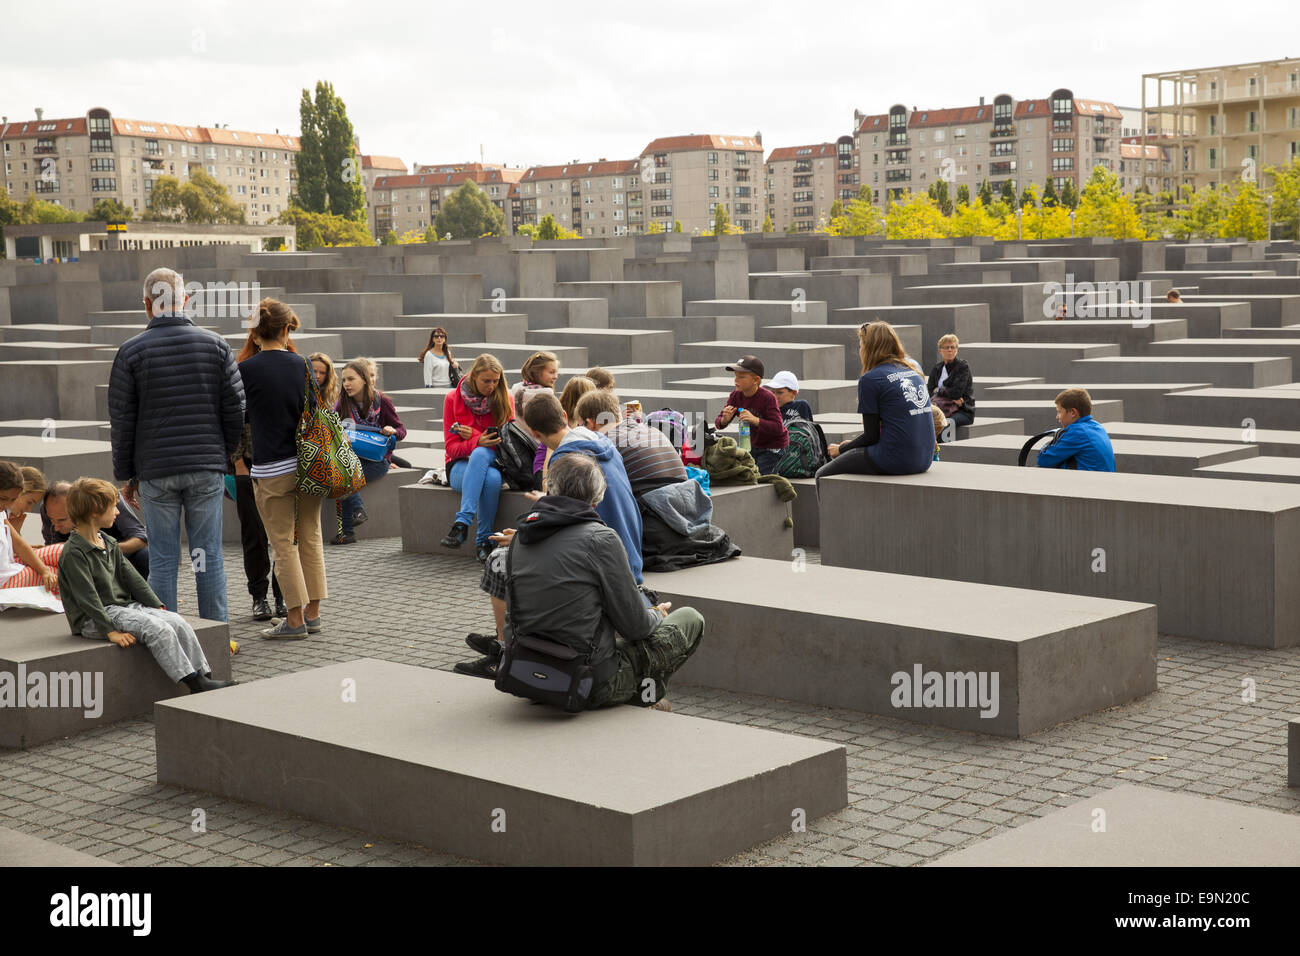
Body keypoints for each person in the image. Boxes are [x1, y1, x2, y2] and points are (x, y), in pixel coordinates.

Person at [460, 454, 704, 712]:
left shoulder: (521, 537)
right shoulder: (602, 539)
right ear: (597, 498)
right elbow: (636, 628)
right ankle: (646, 697)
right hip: (585, 680)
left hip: (526, 670)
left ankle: (646, 696)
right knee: (690, 618)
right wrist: (656, 614)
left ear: (550, 489)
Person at [108, 266, 245, 623]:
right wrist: (224, 455)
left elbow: (122, 420)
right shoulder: (216, 344)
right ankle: (215, 637)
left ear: (147, 305)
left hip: (156, 470)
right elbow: (235, 408)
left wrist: (127, 475)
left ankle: (169, 636)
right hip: (205, 466)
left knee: (165, 559)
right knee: (208, 555)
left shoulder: (130, 352)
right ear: (185, 300)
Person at [56, 477, 235, 694]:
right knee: (156, 629)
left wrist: (154, 604)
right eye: (114, 506)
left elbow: (132, 577)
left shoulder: (108, 541)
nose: (118, 512)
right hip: (95, 618)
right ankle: (194, 685)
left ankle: (205, 676)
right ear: (95, 510)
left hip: (121, 608)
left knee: (176, 621)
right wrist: (110, 631)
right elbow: (87, 598)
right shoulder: (74, 552)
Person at [237, 299, 328, 639]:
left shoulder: (247, 369)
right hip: (308, 465)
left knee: (282, 545)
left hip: (272, 467)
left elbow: (240, 417)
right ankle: (314, 613)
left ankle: (293, 621)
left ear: (256, 331)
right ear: (286, 327)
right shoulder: (304, 364)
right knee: (310, 538)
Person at [525, 391, 645, 585]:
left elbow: (557, 523)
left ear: (534, 433)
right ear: (564, 415)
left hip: (605, 570)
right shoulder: (604, 443)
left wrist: (519, 539)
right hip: (631, 558)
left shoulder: (565, 461)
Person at [815, 321, 935, 488]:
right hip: (925, 458)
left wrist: (841, 449)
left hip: (895, 459)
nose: (860, 351)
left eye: (860, 345)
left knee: (821, 473)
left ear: (869, 348)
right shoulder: (914, 368)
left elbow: (871, 437)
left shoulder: (871, 379)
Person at [441, 353, 515, 562]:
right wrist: (477, 442)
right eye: (486, 381)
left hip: (495, 459)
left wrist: (474, 437)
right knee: (490, 479)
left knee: (483, 454)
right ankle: (483, 542)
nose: (491, 386)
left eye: (495, 381)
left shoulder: (505, 398)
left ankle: (462, 524)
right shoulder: (452, 400)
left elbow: (509, 443)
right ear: (474, 376)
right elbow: (452, 449)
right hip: (459, 467)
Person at [332, 358, 406, 545]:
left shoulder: (383, 401)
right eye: (344, 380)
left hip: (376, 461)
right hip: (350, 457)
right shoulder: (342, 404)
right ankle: (355, 516)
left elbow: (402, 430)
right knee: (344, 471)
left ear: (364, 379)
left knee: (345, 475)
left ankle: (348, 530)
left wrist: (393, 431)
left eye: (351, 379)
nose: (347, 384)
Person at [573, 389, 686, 498]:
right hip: (689, 500)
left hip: (656, 510)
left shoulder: (606, 445)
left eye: (581, 426)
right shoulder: (651, 430)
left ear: (590, 423)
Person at [41, 481, 150, 579]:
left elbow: (142, 537)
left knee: (146, 556)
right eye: (51, 520)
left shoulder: (107, 499)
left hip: (123, 558)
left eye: (62, 520)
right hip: (83, 564)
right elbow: (53, 551)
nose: (55, 527)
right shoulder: (49, 510)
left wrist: (105, 549)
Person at [713, 355, 788, 475]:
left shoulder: (768, 398)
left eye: (741, 377)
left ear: (756, 380)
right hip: (751, 446)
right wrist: (724, 420)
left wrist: (755, 420)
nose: (736, 380)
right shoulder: (736, 396)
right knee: (740, 474)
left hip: (773, 448)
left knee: (759, 477)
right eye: (735, 376)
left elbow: (778, 428)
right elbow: (719, 423)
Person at [0, 460, 63, 596]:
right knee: (59, 574)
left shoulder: (2, 514)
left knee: (64, 552)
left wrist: (43, 570)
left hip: (10, 569)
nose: (6, 505)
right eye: (3, 498)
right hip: (5, 582)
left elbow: (18, 546)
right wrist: (44, 571)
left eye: (12, 500)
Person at [1036, 388, 1116, 472]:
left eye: (1059, 412)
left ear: (1073, 413)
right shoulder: (1098, 427)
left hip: (1089, 483)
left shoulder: (1077, 432)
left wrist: (1049, 444)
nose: (1057, 417)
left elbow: (1043, 460)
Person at [926, 334, 976, 441]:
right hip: (940, 408)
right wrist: (948, 395)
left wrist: (938, 390)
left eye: (952, 347)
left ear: (956, 350)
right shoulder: (937, 368)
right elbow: (929, 391)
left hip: (962, 410)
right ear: (940, 351)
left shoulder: (963, 366)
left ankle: (939, 453)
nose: (949, 350)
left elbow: (956, 393)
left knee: (944, 424)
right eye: (946, 347)